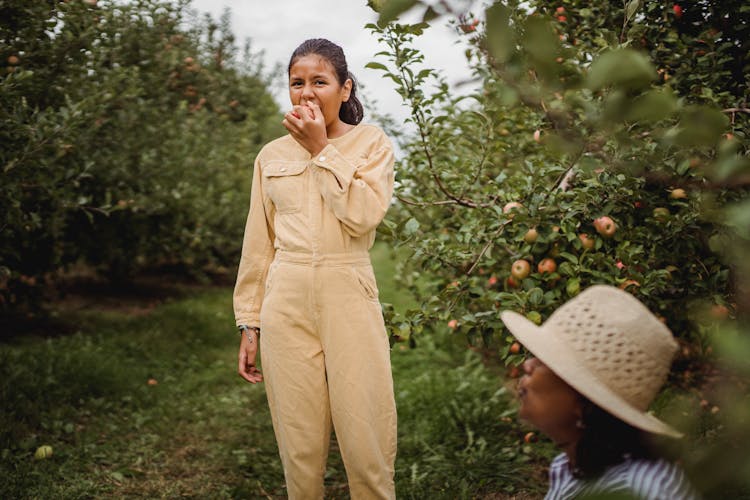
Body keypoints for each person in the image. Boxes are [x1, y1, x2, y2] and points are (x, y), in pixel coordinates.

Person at [233, 38, 397, 499]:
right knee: (298, 441)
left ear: (345, 89)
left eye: (319, 82)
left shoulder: (372, 144)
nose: (306, 93)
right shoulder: (270, 155)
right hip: (285, 297)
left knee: (366, 434)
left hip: (347, 288)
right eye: (296, 83)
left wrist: (322, 149)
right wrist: (249, 321)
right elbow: (258, 242)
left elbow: (363, 215)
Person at [500, 285, 700, 499]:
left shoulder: (636, 490)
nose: (527, 364)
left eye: (546, 360)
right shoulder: (568, 468)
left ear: (585, 402)